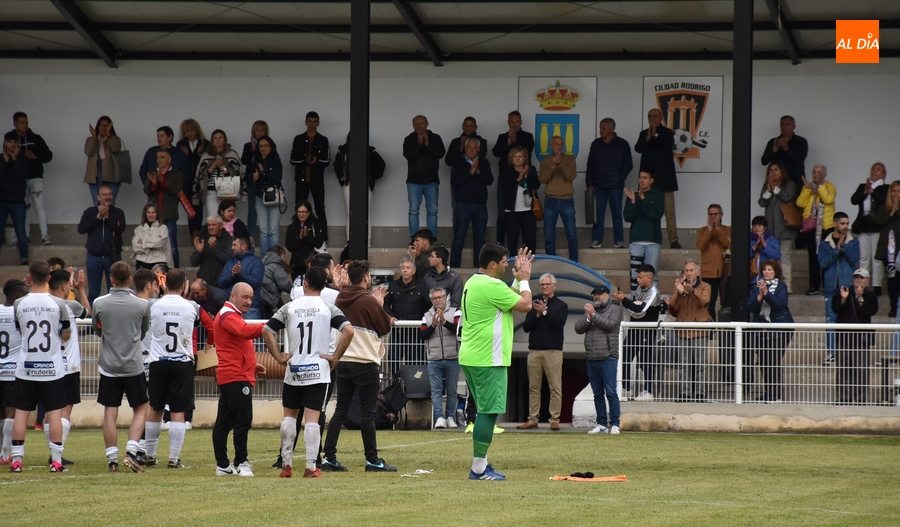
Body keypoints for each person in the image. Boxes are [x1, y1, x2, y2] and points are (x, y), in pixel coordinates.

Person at [262, 266, 354, 478]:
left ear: (304, 284)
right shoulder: (327, 308)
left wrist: (278, 356)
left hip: (294, 368)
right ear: (323, 286)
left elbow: (267, 330)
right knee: (312, 419)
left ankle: (286, 464)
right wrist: (336, 356)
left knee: (289, 418)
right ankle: (311, 467)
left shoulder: (290, 307)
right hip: (318, 370)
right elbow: (348, 330)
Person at [458, 244, 533, 480]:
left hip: (473, 354)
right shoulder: (491, 286)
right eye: (504, 261)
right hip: (488, 357)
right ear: (492, 264)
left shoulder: (473, 281)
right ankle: (478, 468)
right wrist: (525, 281)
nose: (507, 265)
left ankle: (482, 464)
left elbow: (503, 301)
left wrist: (516, 281)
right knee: (489, 412)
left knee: (484, 411)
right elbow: (525, 305)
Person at [323, 260, 397, 473]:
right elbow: (383, 328)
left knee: (340, 411)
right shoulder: (369, 300)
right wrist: (380, 306)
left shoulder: (340, 297)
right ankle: (372, 460)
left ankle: (329, 457)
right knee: (368, 413)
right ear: (366, 278)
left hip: (343, 360)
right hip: (365, 362)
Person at [7, 262, 71, 474]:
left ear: (29, 277)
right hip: (51, 367)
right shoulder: (58, 303)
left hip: (26, 366)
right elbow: (66, 334)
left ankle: (16, 461)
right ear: (50, 278)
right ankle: (56, 461)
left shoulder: (19, 303)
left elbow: (20, 330)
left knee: (22, 413)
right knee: (54, 413)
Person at [92, 261, 151, 473]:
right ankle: (131, 451)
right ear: (131, 280)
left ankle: (112, 460)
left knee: (110, 412)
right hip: (133, 365)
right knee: (141, 408)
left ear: (111, 279)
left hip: (109, 366)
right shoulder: (143, 305)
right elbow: (143, 331)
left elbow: (97, 330)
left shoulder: (99, 303)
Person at [143, 269, 199, 469]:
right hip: (182, 363)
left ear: (164, 284)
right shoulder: (192, 307)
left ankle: (150, 454)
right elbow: (198, 323)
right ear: (185, 285)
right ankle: (174, 459)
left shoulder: (153, 305)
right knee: (178, 412)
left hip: (158, 361)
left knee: (155, 408)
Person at [212, 282, 267, 476]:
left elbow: (236, 345)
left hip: (232, 376)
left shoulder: (230, 315)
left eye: (251, 298)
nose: (248, 301)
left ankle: (223, 465)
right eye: (245, 297)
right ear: (232, 296)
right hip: (236, 377)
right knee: (243, 421)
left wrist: (252, 365)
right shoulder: (228, 315)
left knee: (224, 422)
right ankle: (241, 462)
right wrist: (271, 326)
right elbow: (245, 332)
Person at [48, 269, 90, 465]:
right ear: (64, 286)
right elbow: (88, 313)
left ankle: (53, 450)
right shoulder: (70, 305)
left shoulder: (43, 304)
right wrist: (81, 290)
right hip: (69, 365)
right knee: (65, 410)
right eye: (70, 286)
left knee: (52, 410)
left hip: (49, 364)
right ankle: (56, 452)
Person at [518, 273, 567, 431]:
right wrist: (538, 314)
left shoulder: (561, 305)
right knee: (533, 387)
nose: (545, 287)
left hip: (553, 352)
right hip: (534, 352)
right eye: (543, 285)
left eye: (547, 284)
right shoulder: (534, 305)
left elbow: (558, 325)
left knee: (555, 387)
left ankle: (554, 419)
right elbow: (526, 327)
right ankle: (533, 419)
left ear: (554, 286)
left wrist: (545, 312)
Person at [576, 284, 623, 434]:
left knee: (610, 392)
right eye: (595, 294)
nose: (596, 297)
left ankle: (615, 423)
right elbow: (578, 328)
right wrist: (589, 319)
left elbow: (610, 325)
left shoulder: (615, 309)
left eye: (600, 294)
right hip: (592, 357)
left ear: (607, 296)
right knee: (597, 394)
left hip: (608, 356)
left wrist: (594, 315)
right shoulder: (591, 312)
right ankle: (601, 424)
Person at [663, 260, 713, 402]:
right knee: (683, 364)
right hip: (683, 329)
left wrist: (691, 291)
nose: (689, 273)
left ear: (698, 272)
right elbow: (673, 306)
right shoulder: (679, 285)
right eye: (687, 270)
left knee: (700, 364)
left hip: (700, 329)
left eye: (691, 270)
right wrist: (679, 292)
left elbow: (705, 301)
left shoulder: (705, 286)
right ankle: (684, 393)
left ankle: (700, 393)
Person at [746, 259, 794, 403]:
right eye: (765, 270)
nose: (766, 272)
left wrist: (767, 293)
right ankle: (769, 393)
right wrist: (759, 296)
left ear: (775, 272)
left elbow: (780, 304)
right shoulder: (756, 287)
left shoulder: (781, 287)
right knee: (763, 361)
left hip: (779, 329)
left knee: (773, 360)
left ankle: (776, 394)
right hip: (762, 329)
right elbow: (750, 307)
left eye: (769, 270)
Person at [613, 265, 662, 401]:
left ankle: (649, 391)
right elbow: (634, 309)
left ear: (649, 278)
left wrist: (624, 300)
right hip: (634, 328)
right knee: (625, 356)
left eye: (640, 277)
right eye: (637, 277)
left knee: (646, 360)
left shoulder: (653, 292)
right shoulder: (640, 289)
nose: (637, 280)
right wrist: (630, 305)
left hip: (646, 331)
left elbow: (639, 310)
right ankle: (626, 388)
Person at [635, 108, 680, 248]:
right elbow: (638, 148)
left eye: (655, 116)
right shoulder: (644, 133)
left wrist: (654, 134)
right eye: (650, 116)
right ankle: (652, 238)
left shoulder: (667, 132)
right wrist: (648, 137)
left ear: (661, 117)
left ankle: (673, 240)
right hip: (649, 183)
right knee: (649, 212)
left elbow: (666, 144)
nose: (652, 119)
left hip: (665, 180)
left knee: (669, 213)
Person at [586, 118, 634, 249]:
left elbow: (628, 164)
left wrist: (620, 177)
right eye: (600, 128)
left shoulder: (622, 144)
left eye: (603, 128)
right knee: (598, 214)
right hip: (598, 185)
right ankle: (596, 240)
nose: (600, 130)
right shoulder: (596, 144)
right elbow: (590, 165)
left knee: (617, 214)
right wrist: (589, 182)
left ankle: (619, 241)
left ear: (612, 129)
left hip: (616, 186)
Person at [818, 212, 858, 365]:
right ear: (835, 224)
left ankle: (849, 353)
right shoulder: (825, 243)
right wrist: (836, 249)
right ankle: (831, 353)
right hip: (831, 286)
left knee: (849, 319)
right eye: (842, 223)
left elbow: (854, 260)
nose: (845, 226)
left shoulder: (853, 241)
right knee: (831, 319)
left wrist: (844, 247)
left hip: (847, 285)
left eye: (847, 223)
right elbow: (822, 263)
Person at [833, 269, 878, 404]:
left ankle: (860, 400)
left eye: (862, 278)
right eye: (857, 277)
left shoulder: (871, 296)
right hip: (843, 339)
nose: (859, 280)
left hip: (860, 340)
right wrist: (843, 299)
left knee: (861, 372)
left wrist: (860, 298)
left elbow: (870, 311)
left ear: (867, 280)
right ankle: (843, 399)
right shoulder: (843, 292)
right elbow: (835, 309)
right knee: (842, 371)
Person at [333, 135, 386, 246]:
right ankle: (349, 241)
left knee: (365, 214)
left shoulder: (369, 151)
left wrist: (371, 177)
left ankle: (367, 241)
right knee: (349, 214)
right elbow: (336, 165)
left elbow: (381, 165)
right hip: (349, 184)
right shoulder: (343, 150)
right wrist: (342, 177)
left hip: (365, 185)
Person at [77, 186, 126, 306]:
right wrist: (98, 217)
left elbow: (120, 228)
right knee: (93, 292)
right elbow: (81, 229)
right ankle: (93, 320)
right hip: (94, 257)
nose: (108, 197)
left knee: (114, 291)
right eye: (104, 194)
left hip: (112, 256)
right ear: (98, 197)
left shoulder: (118, 212)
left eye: (110, 194)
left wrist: (107, 216)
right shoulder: (90, 212)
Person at [420, 287, 461, 429]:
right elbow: (422, 335)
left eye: (440, 297)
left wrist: (444, 322)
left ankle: (450, 416)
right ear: (431, 300)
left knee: (452, 390)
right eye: (435, 298)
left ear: (445, 297)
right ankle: (439, 417)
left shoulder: (455, 311)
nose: (438, 300)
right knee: (436, 391)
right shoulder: (427, 315)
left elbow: (457, 329)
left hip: (452, 357)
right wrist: (433, 325)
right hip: (434, 358)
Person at [492, 111, 535, 246]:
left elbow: (528, 149)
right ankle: (500, 242)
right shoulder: (503, 137)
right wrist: (508, 142)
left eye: (517, 122)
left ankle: (526, 248)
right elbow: (495, 152)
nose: (514, 124)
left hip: (524, 178)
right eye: (512, 122)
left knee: (525, 214)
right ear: (508, 122)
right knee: (503, 213)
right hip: (507, 179)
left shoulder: (527, 136)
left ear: (521, 122)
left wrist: (516, 140)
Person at [450, 138, 494, 268]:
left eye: (474, 148)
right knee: (459, 238)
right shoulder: (458, 162)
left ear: (479, 149)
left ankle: (479, 268)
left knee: (480, 239)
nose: (471, 150)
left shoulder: (484, 162)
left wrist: (478, 171)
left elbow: (489, 180)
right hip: (463, 205)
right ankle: (454, 267)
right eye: (469, 147)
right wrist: (470, 172)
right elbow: (455, 182)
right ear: (465, 148)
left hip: (480, 205)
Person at [382, 257, 431, 373]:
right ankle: (394, 385)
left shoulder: (421, 286)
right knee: (393, 359)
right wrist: (390, 315)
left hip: (414, 330)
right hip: (397, 329)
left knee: (413, 360)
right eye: (403, 268)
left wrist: (423, 320)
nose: (405, 270)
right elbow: (385, 304)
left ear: (414, 271)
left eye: (408, 268)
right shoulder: (393, 286)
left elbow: (429, 305)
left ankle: (411, 387)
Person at [11, 112, 53, 245]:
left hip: (35, 177)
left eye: (26, 122)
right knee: (24, 208)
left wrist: (35, 157)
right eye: (21, 123)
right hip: (19, 179)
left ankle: (45, 236)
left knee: (39, 207)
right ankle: (25, 237)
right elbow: (7, 158)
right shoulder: (11, 138)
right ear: (15, 124)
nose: (24, 125)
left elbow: (48, 156)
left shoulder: (36, 138)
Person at [289, 112, 331, 241]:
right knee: (300, 208)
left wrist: (316, 161)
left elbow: (327, 161)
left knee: (319, 209)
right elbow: (292, 160)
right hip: (301, 180)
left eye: (315, 121)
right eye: (310, 121)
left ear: (318, 123)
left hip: (316, 180)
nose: (312, 124)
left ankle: (323, 238)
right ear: (305, 122)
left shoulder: (323, 140)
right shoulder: (298, 139)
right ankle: (297, 236)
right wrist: (304, 160)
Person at [403, 115, 445, 238]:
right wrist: (418, 144)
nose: (419, 126)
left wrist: (428, 145)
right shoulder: (409, 139)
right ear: (413, 126)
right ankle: (414, 239)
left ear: (427, 124)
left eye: (421, 123)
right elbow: (409, 155)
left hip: (431, 181)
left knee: (432, 211)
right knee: (413, 211)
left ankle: (431, 238)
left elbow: (440, 154)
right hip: (413, 182)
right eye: (416, 124)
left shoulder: (435, 138)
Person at [758, 162, 798, 293]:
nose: (773, 172)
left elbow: (788, 197)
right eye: (771, 170)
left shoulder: (789, 184)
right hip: (771, 229)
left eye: (776, 169)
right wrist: (768, 190)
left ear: (782, 171)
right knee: (771, 257)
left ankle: (787, 285)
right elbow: (761, 202)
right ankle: (773, 284)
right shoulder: (766, 186)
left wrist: (775, 188)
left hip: (785, 227)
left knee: (785, 256)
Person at [797, 165, 836, 295]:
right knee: (813, 257)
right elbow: (800, 203)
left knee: (825, 257)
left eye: (819, 172)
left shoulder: (830, 186)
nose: (816, 175)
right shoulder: (808, 187)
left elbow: (828, 199)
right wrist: (808, 189)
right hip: (811, 227)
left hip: (826, 227)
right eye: (814, 172)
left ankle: (827, 285)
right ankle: (814, 286)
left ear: (824, 175)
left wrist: (820, 187)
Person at [623, 167, 664, 293]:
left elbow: (655, 214)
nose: (642, 180)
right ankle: (635, 305)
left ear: (651, 180)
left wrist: (644, 199)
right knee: (635, 276)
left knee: (652, 275)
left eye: (645, 178)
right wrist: (634, 202)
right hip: (636, 242)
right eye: (640, 177)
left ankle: (651, 305)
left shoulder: (658, 195)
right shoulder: (633, 195)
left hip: (653, 242)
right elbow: (628, 217)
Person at [0, 280, 27, 464]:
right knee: (12, 412)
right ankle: (5, 453)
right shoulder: (21, 313)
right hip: (12, 370)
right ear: (18, 295)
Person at [539, 135, 578, 261]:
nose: (559, 146)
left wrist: (561, 164)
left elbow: (571, 177)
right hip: (551, 200)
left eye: (561, 143)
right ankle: (552, 263)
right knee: (549, 237)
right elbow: (542, 179)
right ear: (551, 146)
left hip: (567, 200)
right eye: (556, 143)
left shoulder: (570, 159)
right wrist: (553, 166)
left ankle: (574, 264)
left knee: (571, 235)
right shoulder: (545, 161)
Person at [851, 163, 888, 297]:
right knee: (864, 257)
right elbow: (854, 200)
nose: (874, 171)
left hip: (877, 225)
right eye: (873, 168)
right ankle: (863, 284)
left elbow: (884, 202)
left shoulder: (885, 188)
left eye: (878, 169)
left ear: (883, 174)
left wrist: (872, 192)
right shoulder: (863, 186)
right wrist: (865, 192)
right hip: (864, 225)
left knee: (876, 257)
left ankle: (877, 285)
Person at [143, 148, 184, 268]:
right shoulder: (152, 172)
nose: (159, 160)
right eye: (157, 157)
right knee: (152, 245)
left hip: (169, 216)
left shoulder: (177, 174)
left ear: (169, 159)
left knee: (172, 247)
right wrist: (154, 183)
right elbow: (147, 191)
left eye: (162, 157)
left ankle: (175, 272)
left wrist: (162, 181)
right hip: (153, 217)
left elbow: (174, 190)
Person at [498, 145, 540, 254]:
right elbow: (504, 188)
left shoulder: (531, 170)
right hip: (512, 211)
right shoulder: (507, 171)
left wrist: (527, 177)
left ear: (525, 158)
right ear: (511, 158)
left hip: (528, 210)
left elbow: (537, 185)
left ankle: (530, 264)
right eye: (515, 156)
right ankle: (512, 263)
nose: (517, 159)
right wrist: (518, 179)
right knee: (512, 239)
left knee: (530, 238)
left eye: (520, 156)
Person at [196, 129, 243, 224]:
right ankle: (214, 239)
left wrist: (222, 167)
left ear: (225, 140)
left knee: (227, 219)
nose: (218, 140)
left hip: (228, 191)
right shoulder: (206, 155)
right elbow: (200, 174)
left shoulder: (232, 154)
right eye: (215, 138)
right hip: (211, 191)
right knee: (214, 219)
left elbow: (238, 173)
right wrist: (213, 166)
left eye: (220, 138)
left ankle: (227, 238)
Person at [0, 132, 31, 265]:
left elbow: (23, 175)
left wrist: (14, 160)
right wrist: (6, 162)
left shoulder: (23, 159)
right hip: (2, 201)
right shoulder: (0, 158)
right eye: (10, 142)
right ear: (5, 144)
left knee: (21, 232)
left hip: (18, 201)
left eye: (15, 142)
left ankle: (24, 258)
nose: (13, 144)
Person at [250, 136, 284, 254]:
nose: (263, 148)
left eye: (266, 146)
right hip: (260, 196)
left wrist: (265, 172)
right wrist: (254, 178)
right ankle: (265, 258)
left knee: (273, 230)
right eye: (260, 146)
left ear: (271, 147)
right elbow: (249, 179)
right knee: (264, 231)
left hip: (273, 195)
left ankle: (274, 258)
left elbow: (278, 178)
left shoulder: (275, 159)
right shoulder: (255, 160)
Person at [696, 204, 731, 320]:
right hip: (709, 273)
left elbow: (727, 244)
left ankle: (726, 334)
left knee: (727, 303)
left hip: (725, 272)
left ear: (721, 215)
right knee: (709, 304)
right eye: (710, 214)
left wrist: (717, 229)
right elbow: (700, 245)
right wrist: (709, 231)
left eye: (715, 214)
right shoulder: (702, 231)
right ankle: (710, 333)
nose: (713, 217)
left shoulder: (728, 229)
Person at [219, 235, 265, 320]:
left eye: (235, 245)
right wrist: (232, 275)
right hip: (231, 308)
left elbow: (256, 283)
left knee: (249, 333)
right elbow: (221, 282)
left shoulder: (256, 262)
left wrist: (241, 273)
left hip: (250, 309)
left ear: (244, 246)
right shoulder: (230, 261)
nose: (232, 247)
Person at [176, 119, 209, 237]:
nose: (190, 133)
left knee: (198, 208)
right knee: (190, 210)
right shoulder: (181, 144)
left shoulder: (204, 143)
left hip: (200, 181)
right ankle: (192, 236)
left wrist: (196, 155)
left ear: (196, 130)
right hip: (187, 182)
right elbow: (181, 163)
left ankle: (197, 233)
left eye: (192, 130)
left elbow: (205, 162)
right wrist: (187, 156)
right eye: (187, 131)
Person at [760, 115, 809, 190]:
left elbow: (800, 159)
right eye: (782, 124)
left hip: (795, 182)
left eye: (787, 124)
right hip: (776, 182)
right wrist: (773, 151)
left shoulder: (801, 142)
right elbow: (764, 161)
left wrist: (786, 148)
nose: (784, 127)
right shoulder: (774, 142)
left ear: (794, 127)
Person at [83, 116, 123, 205]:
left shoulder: (114, 139)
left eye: (107, 126)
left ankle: (109, 219)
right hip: (95, 177)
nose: (104, 128)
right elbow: (88, 152)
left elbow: (116, 149)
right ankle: (99, 219)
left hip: (111, 178)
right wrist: (94, 138)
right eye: (102, 125)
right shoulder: (91, 139)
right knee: (97, 202)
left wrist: (109, 136)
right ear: (98, 126)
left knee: (110, 203)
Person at [875, 180, 900, 317]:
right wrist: (891, 211)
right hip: (888, 251)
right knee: (892, 279)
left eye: (898, 191)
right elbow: (879, 221)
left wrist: (897, 210)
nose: (895, 194)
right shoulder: (884, 207)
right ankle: (893, 307)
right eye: (893, 191)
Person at [240, 120, 269, 237]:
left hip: (266, 182)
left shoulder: (270, 145)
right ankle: (250, 236)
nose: (260, 132)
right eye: (258, 130)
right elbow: (244, 161)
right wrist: (253, 150)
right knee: (252, 210)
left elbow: (271, 162)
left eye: (262, 130)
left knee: (265, 209)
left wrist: (259, 150)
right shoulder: (248, 146)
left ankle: (265, 234)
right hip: (252, 182)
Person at [190, 214, 234, 286]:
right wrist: (199, 252)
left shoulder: (229, 240)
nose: (210, 227)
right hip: (204, 284)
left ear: (221, 226)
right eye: (209, 225)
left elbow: (229, 260)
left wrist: (215, 249)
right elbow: (193, 263)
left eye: (213, 225)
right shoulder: (204, 240)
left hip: (221, 284)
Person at [284, 201, 324, 279]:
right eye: (299, 212)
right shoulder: (292, 227)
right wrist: (299, 239)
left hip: (312, 263)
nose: (301, 214)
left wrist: (307, 237)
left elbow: (319, 243)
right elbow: (289, 246)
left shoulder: (315, 225)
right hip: (297, 264)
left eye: (304, 212)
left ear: (309, 212)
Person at [132, 203, 173, 270]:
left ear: (157, 214)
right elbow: (136, 247)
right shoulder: (138, 229)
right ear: (145, 214)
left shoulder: (163, 228)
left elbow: (160, 244)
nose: (151, 215)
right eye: (148, 212)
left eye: (153, 212)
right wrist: (153, 242)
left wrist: (143, 241)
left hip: (159, 261)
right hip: (141, 261)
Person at [260, 246, 292, 319]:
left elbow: (274, 294)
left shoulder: (263, 265)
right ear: (279, 255)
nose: (285, 259)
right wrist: (295, 291)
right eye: (284, 256)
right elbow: (284, 284)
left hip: (261, 302)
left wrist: (283, 308)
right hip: (263, 302)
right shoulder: (277, 266)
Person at [750, 216, 781, 282]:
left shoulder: (773, 240)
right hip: (751, 276)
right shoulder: (748, 240)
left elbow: (777, 256)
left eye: (759, 225)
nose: (756, 227)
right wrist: (754, 247)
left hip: (767, 277)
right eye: (754, 225)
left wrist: (765, 245)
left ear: (765, 227)